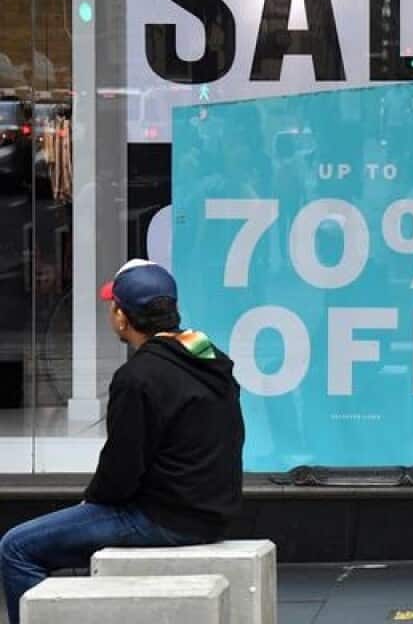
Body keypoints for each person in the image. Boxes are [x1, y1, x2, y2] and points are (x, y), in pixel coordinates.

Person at [0, 260, 245, 623]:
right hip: (211, 513)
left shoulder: (137, 377)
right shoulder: (210, 360)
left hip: (161, 518)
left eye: (112, 306)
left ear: (122, 316)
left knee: (16, 547)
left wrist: (91, 501)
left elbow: (121, 472)